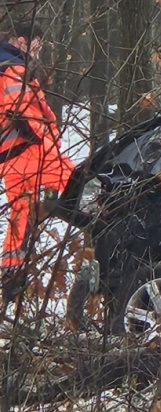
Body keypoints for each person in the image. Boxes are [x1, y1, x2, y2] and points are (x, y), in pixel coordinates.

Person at [0, 20, 74, 307]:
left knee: (22, 219)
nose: (38, 53)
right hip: (27, 154)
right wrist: (49, 148)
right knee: (83, 190)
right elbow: (25, 115)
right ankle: (12, 289)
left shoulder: (11, 67)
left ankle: (13, 289)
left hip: (21, 155)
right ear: (22, 41)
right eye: (37, 46)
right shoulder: (11, 69)